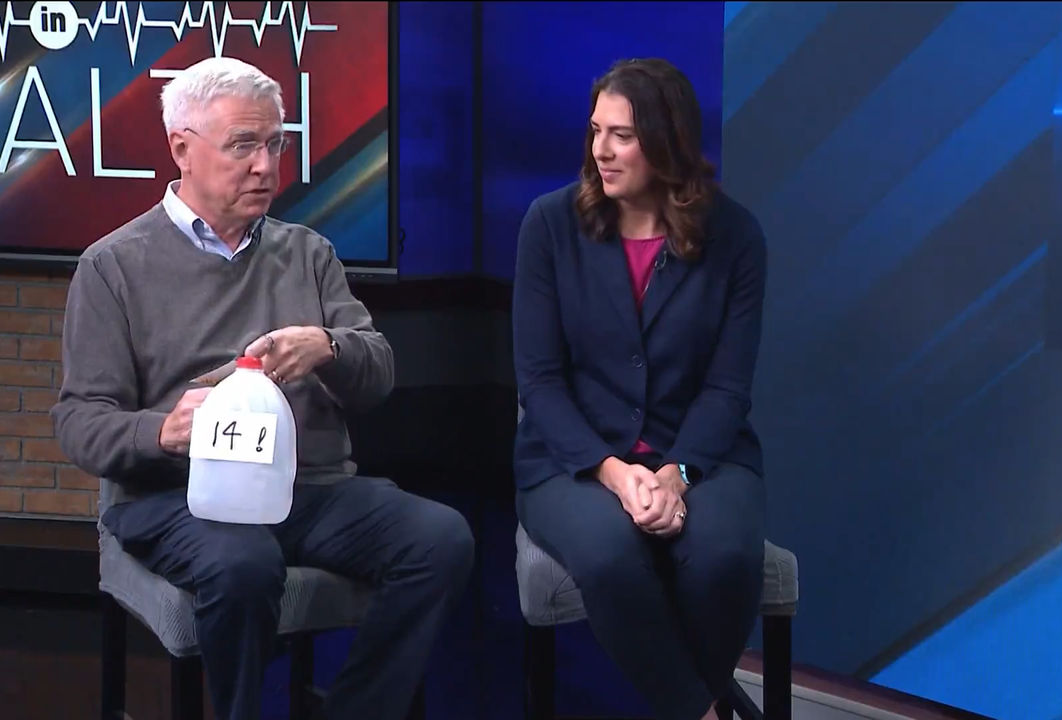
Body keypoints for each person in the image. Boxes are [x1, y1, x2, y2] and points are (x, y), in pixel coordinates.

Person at [53, 56, 474, 720]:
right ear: (182, 150)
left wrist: (328, 349)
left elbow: (378, 375)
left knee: (440, 539)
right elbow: (80, 421)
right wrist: (161, 430)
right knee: (243, 565)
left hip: (311, 490)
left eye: (275, 142)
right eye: (244, 145)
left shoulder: (308, 253)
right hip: (179, 500)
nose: (266, 165)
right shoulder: (113, 267)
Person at [511, 58, 768, 720]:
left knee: (724, 558)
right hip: (572, 461)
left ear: (666, 139)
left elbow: (728, 384)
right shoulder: (549, 225)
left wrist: (678, 473)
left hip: (702, 453)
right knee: (608, 555)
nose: (601, 149)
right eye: (596, 130)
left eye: (621, 135)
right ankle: (706, 714)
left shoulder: (735, 236)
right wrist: (616, 474)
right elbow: (539, 381)